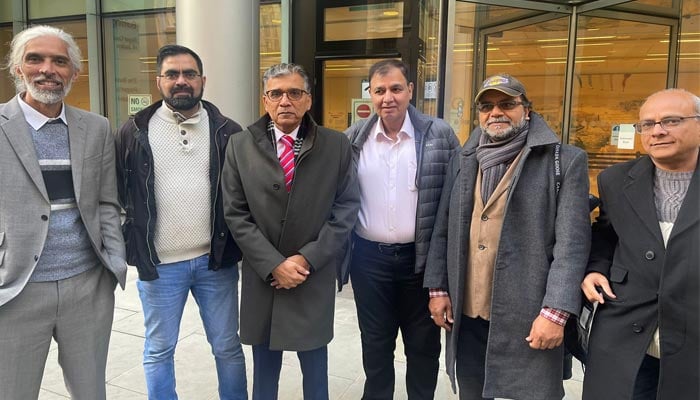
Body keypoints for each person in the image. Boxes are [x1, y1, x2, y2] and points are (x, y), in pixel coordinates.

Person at [424, 74, 591, 400]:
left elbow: (571, 245)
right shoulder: (463, 159)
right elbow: (443, 227)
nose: (495, 112)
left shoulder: (565, 161)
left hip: (530, 313)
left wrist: (555, 313)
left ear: (526, 110)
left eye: (507, 104)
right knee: (472, 390)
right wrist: (438, 288)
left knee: (532, 393)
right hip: (468, 310)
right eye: (487, 107)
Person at [0, 25, 127, 400]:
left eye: (60, 61)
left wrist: (113, 260)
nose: (47, 69)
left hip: (87, 286)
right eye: (34, 59)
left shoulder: (97, 127)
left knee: (90, 392)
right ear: (18, 69)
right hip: (16, 289)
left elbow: (107, 200)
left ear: (74, 71)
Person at [115, 44, 246, 399]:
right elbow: (118, 192)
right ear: (159, 81)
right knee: (159, 350)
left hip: (214, 262)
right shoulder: (133, 130)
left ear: (202, 80)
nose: (181, 81)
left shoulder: (228, 130)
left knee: (227, 348)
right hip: (159, 266)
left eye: (189, 74)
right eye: (172, 74)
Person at [222, 63, 359, 400]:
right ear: (265, 100)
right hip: (264, 277)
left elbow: (346, 209)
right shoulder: (240, 145)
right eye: (276, 93)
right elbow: (235, 213)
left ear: (308, 100)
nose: (285, 101)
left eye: (295, 93)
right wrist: (274, 264)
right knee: (264, 376)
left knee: (315, 373)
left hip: (311, 277)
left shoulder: (335, 145)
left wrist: (306, 259)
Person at [345, 59, 459, 399]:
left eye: (396, 88)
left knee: (423, 346)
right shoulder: (353, 139)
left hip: (420, 261)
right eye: (379, 90)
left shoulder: (439, 134)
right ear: (371, 94)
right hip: (369, 260)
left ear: (410, 91)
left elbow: (456, 200)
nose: (387, 97)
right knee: (375, 344)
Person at [581, 88, 699, 400]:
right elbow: (607, 234)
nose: (657, 131)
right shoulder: (616, 180)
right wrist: (595, 269)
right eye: (647, 124)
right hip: (627, 328)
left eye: (671, 121)